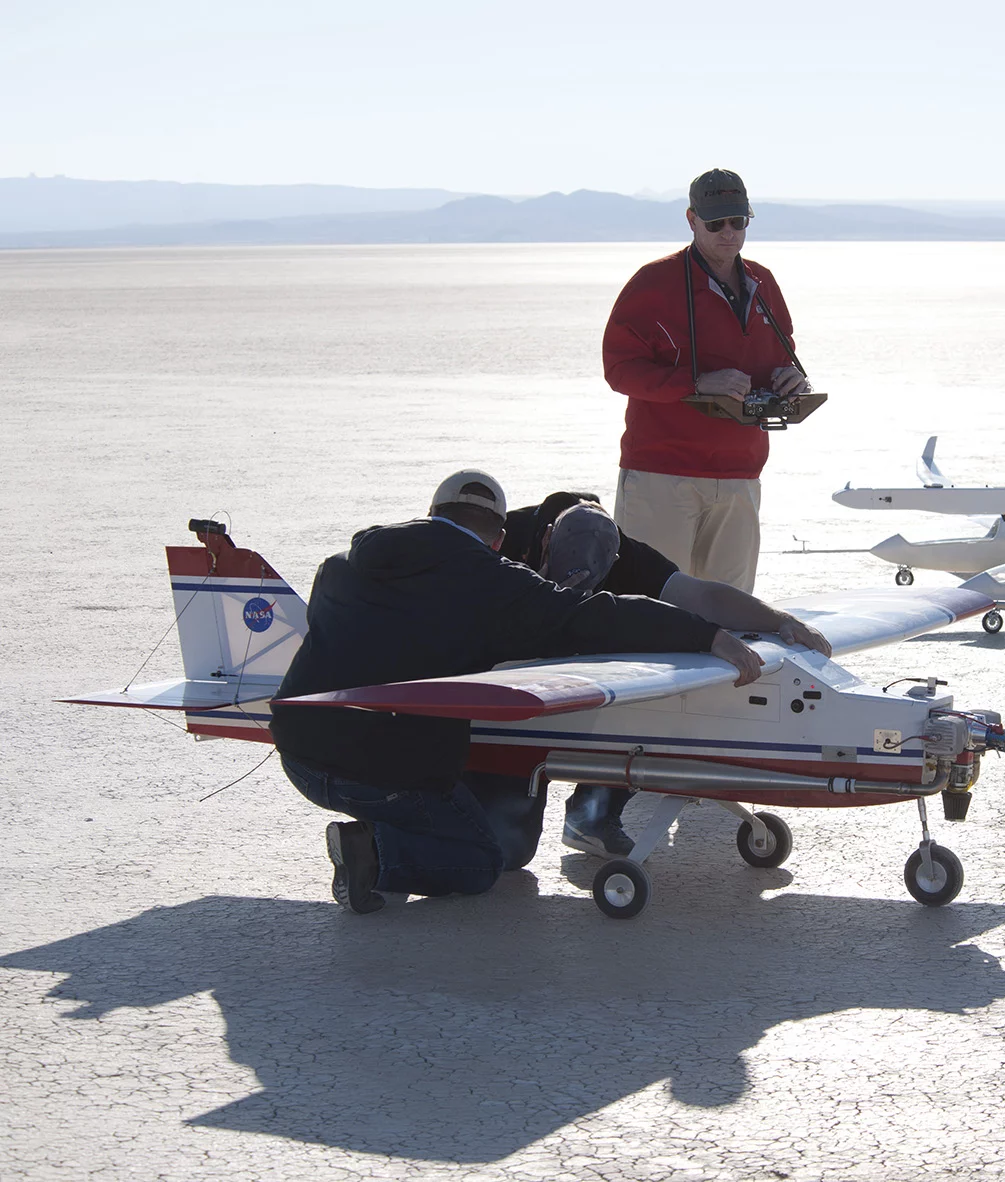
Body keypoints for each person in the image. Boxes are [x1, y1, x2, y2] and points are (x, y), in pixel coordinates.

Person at [269, 469, 762, 914]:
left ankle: (383, 833)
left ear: (430, 515)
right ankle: (372, 853)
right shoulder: (493, 584)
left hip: (299, 751)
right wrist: (705, 635)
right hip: (377, 769)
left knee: (510, 838)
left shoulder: (342, 564)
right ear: (499, 538)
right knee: (485, 861)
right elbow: (596, 616)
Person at [501, 491, 832, 857]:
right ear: (546, 539)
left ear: (614, 557)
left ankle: (592, 811)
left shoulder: (630, 556)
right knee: (507, 851)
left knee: (651, 682)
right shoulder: (503, 536)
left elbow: (704, 599)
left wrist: (780, 620)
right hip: (500, 674)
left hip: (582, 664)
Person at [603, 167, 811, 594]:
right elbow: (619, 369)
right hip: (663, 475)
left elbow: (779, 352)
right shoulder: (653, 284)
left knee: (730, 616)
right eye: (716, 223)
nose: (728, 233)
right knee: (649, 611)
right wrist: (696, 383)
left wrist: (792, 379)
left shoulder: (762, 282)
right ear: (691, 219)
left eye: (739, 221)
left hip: (740, 476)